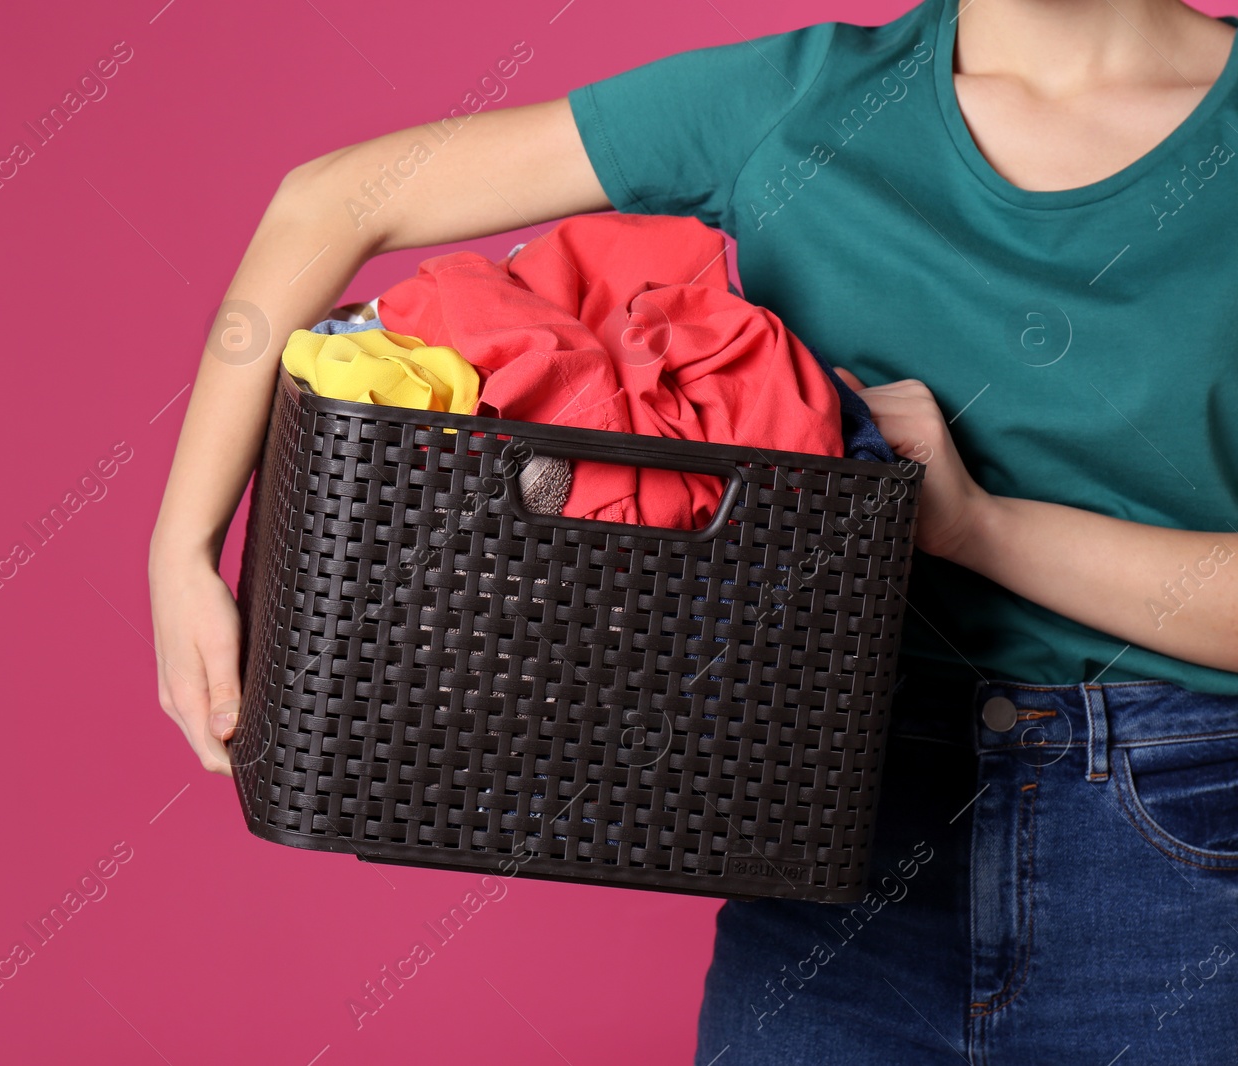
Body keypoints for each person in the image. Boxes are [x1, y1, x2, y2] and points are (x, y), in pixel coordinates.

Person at [149, 0, 1238, 1059]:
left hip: (1189, 855)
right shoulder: (802, 100)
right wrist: (181, 549)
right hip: (833, 830)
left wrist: (978, 528)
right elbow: (328, 202)